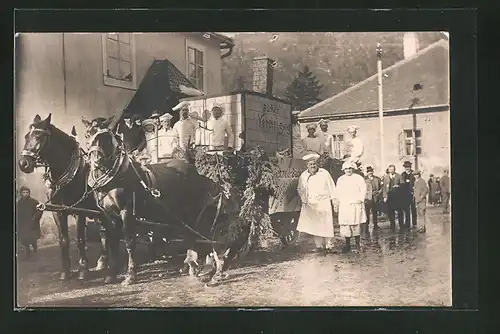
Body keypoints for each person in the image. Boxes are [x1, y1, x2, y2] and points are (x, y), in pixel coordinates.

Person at [296, 153, 337, 252]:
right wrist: (304, 199)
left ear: (317, 164)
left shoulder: (324, 173)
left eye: (314, 164)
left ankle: (329, 245)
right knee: (315, 225)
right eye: (310, 164)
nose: (313, 166)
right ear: (307, 166)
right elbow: (300, 189)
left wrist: (334, 201)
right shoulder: (304, 176)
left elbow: (332, 187)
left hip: (324, 202)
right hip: (312, 203)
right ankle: (318, 246)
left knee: (326, 224)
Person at [336, 161, 367, 253]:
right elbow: (337, 192)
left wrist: (360, 199)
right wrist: (337, 202)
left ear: (352, 169)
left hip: (355, 204)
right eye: (346, 169)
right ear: (343, 170)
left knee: (356, 224)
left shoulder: (358, 178)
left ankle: (357, 244)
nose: (348, 170)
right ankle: (347, 244)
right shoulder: (340, 179)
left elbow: (363, 189)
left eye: (349, 168)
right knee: (346, 225)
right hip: (345, 205)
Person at [16, 186, 43, 257]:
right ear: (21, 193)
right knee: (24, 239)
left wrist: (35, 218)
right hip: (23, 223)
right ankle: (27, 250)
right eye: (23, 192)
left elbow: (40, 211)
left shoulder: (34, 201)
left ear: (29, 193)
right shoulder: (19, 203)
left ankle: (35, 249)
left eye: (27, 192)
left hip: (32, 222)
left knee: (33, 238)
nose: (25, 194)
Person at [382, 164, 404, 231]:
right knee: (390, 212)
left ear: (395, 170)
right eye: (390, 169)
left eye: (392, 169)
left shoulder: (399, 176)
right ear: (388, 170)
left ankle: (401, 225)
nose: (391, 171)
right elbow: (384, 188)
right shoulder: (386, 177)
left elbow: (403, 185)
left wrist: (398, 186)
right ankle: (392, 225)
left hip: (397, 196)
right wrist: (384, 196)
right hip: (389, 196)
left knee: (400, 211)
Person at [364, 166, 383, 231]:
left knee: (375, 211)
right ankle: (366, 225)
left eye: (371, 171)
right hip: (367, 198)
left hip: (375, 196)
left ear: (373, 172)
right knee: (367, 212)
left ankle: (375, 225)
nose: (370, 173)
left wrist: (378, 193)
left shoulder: (377, 179)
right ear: (367, 173)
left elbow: (381, 188)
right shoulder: (364, 179)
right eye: (368, 172)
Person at [400, 160, 417, 229]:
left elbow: (416, 183)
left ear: (410, 167)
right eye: (406, 167)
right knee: (406, 209)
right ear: (404, 168)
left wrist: (413, 189)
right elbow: (401, 184)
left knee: (413, 209)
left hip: (413, 193)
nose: (407, 168)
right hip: (405, 194)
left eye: (409, 167)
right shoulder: (403, 174)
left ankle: (414, 223)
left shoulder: (414, 174)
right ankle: (407, 223)